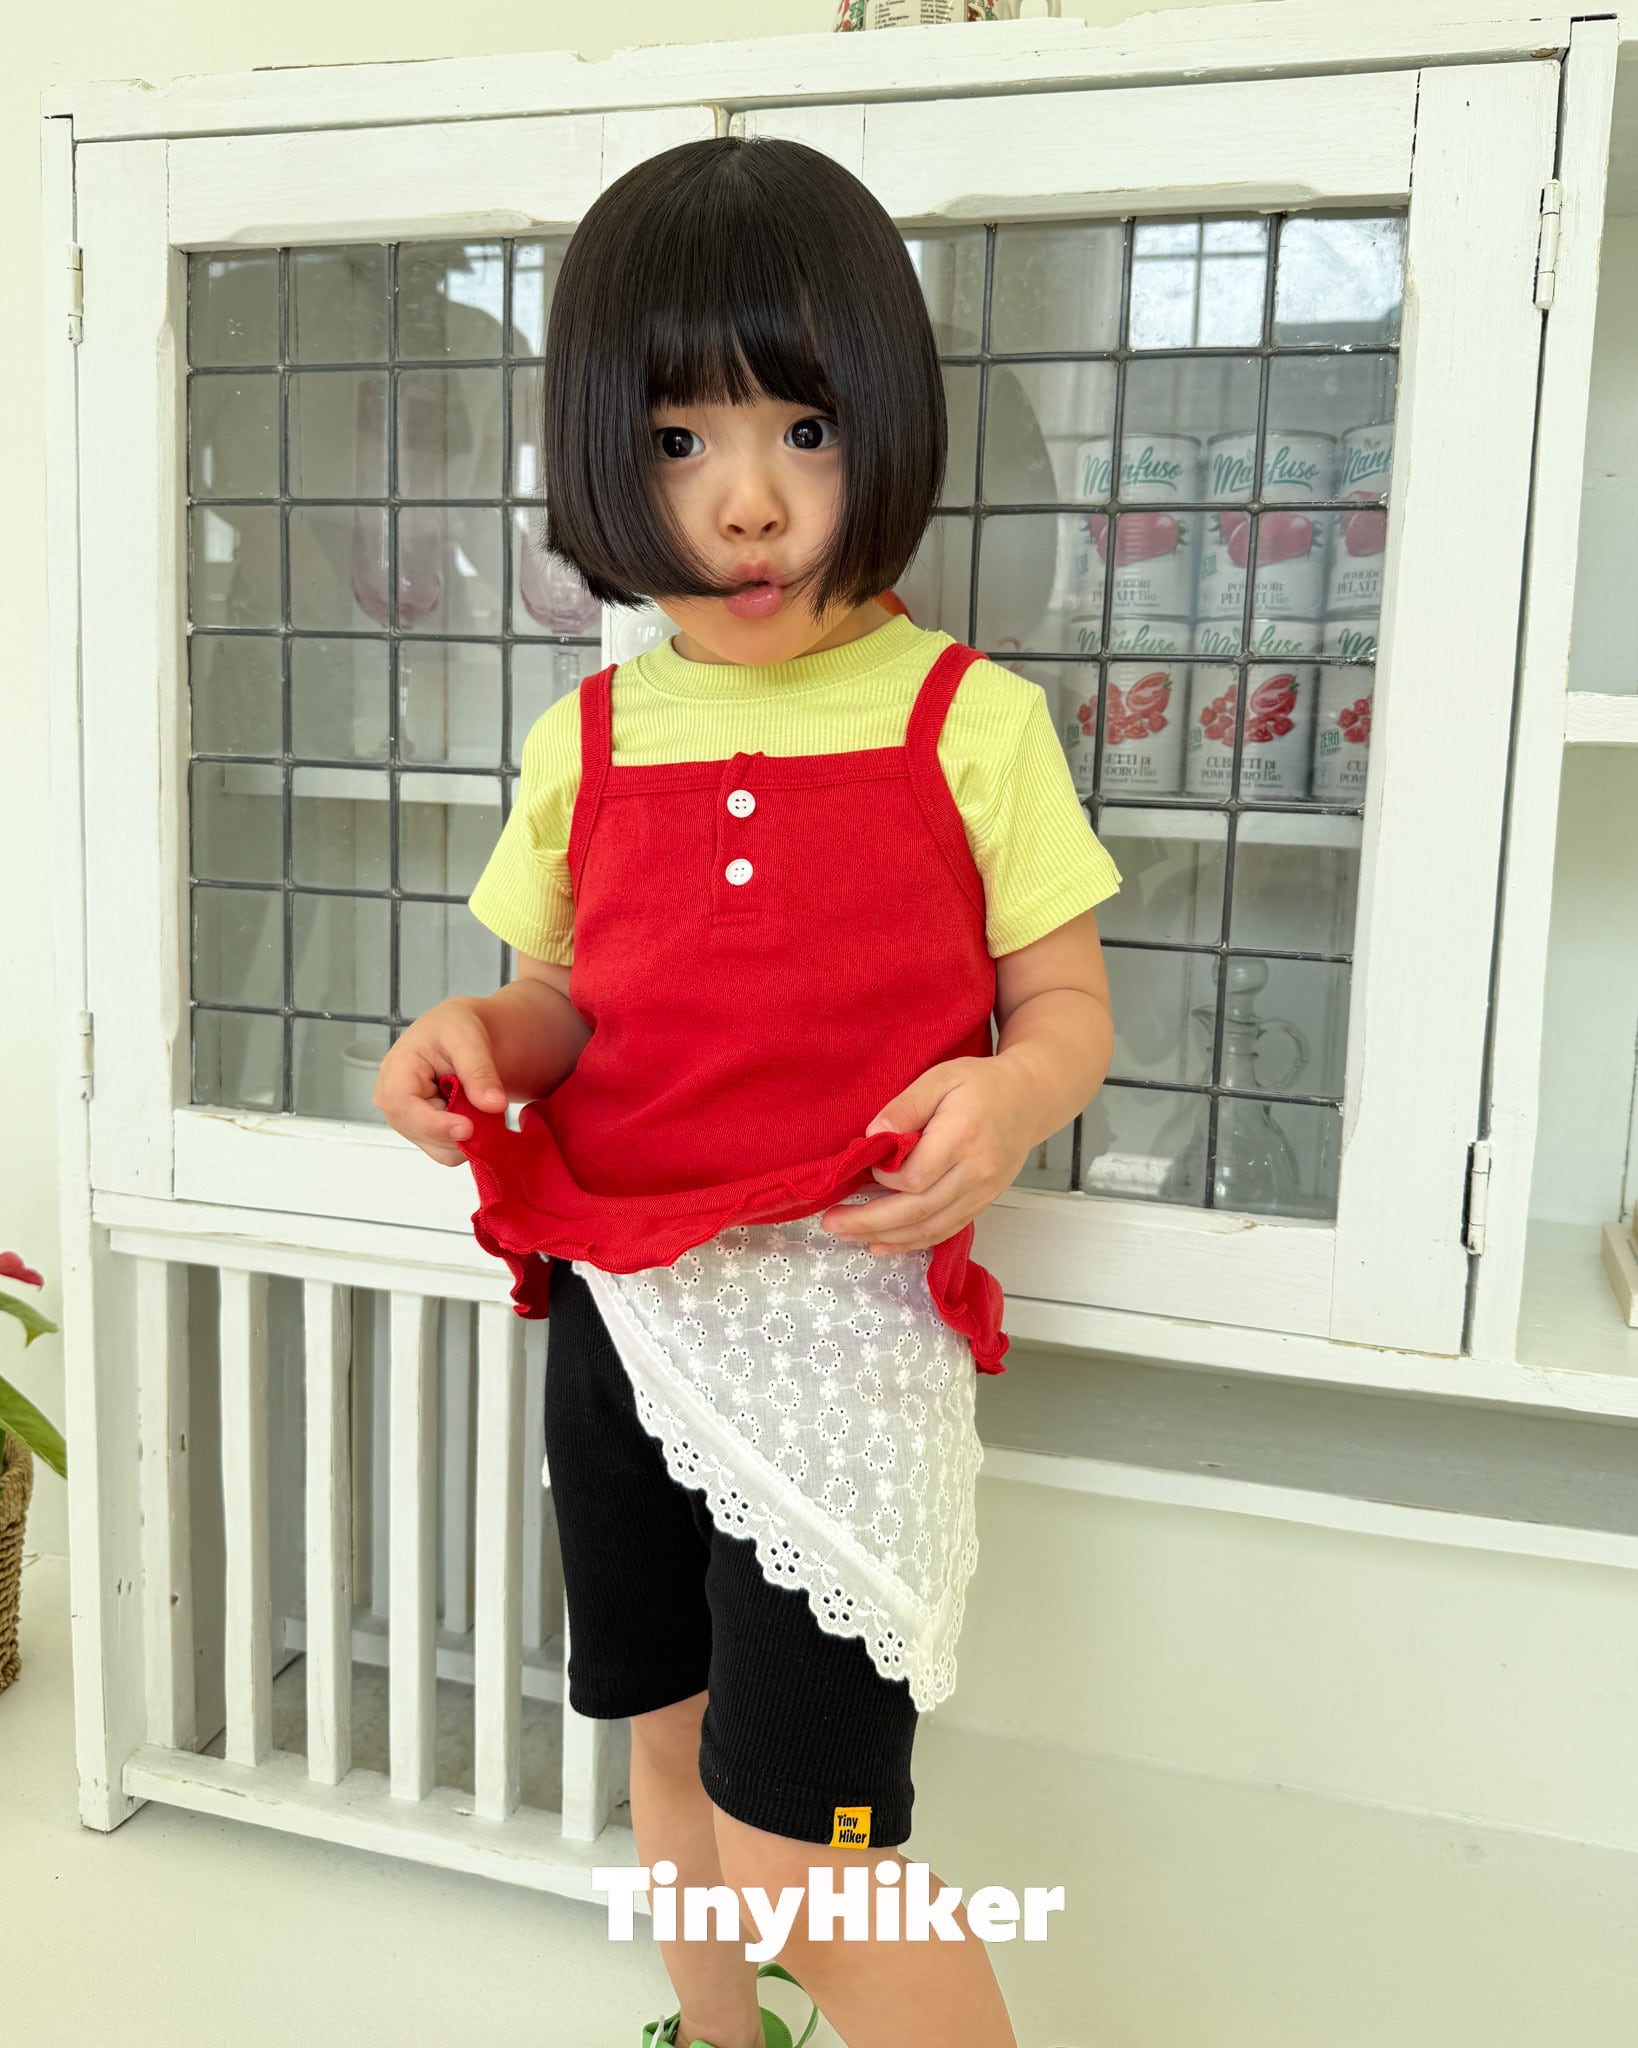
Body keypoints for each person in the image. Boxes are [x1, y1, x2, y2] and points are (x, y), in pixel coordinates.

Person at [376, 133, 1119, 2048]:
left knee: (812, 1847)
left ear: (887, 421)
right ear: (598, 459)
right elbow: (563, 1001)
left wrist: (1005, 1098)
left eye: (803, 427)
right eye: (679, 440)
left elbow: (1063, 1006)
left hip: (842, 1320)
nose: (749, 502)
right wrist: (473, 1041)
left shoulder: (972, 720)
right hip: (623, 1308)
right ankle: (719, 2037)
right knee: (662, 1740)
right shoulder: (589, 733)